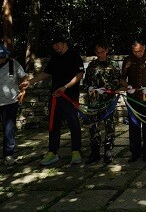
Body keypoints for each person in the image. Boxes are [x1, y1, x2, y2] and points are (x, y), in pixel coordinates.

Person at [22, 33, 85, 166]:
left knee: (73, 123)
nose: (56, 47)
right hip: (55, 96)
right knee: (53, 124)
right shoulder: (54, 58)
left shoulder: (74, 56)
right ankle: (52, 152)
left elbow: (79, 75)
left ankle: (76, 151)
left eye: (58, 44)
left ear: (64, 43)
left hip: (69, 96)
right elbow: (46, 73)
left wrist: (65, 87)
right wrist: (30, 82)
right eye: (54, 45)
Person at [82, 41, 121, 164]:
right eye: (97, 52)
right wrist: (90, 88)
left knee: (109, 126)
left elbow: (117, 81)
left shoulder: (113, 64)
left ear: (107, 51)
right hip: (94, 102)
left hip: (108, 101)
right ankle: (95, 153)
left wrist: (106, 89)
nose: (100, 54)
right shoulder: (92, 65)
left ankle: (108, 151)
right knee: (93, 127)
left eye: (102, 52)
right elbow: (86, 82)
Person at [0, 45, 28, 166]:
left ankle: (8, 155)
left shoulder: (13, 64)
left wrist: (23, 90)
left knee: (9, 129)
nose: (1, 58)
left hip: (10, 102)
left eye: (2, 56)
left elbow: (24, 78)